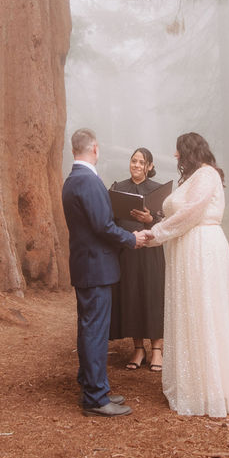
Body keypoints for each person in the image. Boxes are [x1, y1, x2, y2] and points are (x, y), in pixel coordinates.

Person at [139, 132, 229, 417]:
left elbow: (191, 212)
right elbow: (180, 214)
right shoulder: (194, 178)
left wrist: (154, 233)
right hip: (187, 248)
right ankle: (194, 382)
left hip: (202, 248)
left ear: (190, 152)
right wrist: (156, 227)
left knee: (206, 310)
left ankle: (212, 388)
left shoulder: (207, 175)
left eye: (179, 151)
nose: (176, 156)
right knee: (192, 311)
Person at [62, 128, 147, 417]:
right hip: (95, 267)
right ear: (95, 149)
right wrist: (131, 239)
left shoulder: (73, 179)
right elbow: (103, 226)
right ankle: (96, 398)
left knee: (89, 329)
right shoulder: (87, 180)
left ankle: (92, 387)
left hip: (88, 265)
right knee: (94, 332)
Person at [109, 148, 166, 372]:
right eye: (134, 161)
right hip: (129, 250)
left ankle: (157, 351)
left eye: (142, 162)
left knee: (152, 295)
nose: (136, 165)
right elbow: (111, 220)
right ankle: (138, 348)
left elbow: (167, 222)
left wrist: (150, 219)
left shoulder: (159, 190)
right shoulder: (119, 188)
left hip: (151, 250)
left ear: (149, 167)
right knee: (132, 296)